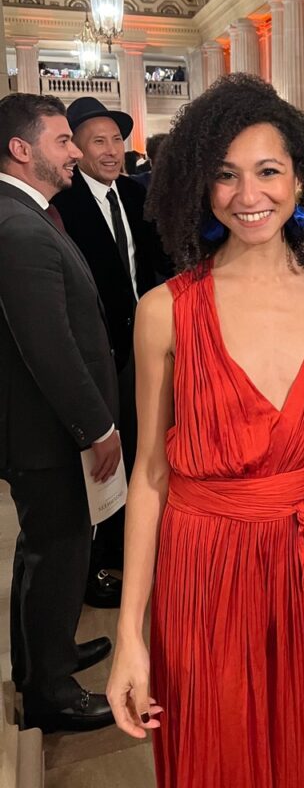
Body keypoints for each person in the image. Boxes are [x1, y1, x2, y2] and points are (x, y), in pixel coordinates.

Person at [106, 75, 304, 788]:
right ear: (200, 185)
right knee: (217, 756)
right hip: (204, 569)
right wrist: (129, 636)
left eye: (268, 171)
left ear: (301, 179)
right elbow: (150, 476)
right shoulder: (166, 310)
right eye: (225, 175)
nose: (248, 194)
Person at [0, 92, 120, 733]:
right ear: (22, 150)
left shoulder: (27, 213)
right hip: (46, 434)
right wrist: (96, 427)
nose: (74, 151)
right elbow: (48, 346)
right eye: (62, 140)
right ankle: (50, 692)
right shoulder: (19, 226)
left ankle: (45, 657)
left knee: (46, 551)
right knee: (58, 554)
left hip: (42, 429)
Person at [53, 97, 165, 605]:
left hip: (146, 346)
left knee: (143, 445)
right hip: (99, 352)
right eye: (98, 140)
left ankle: (126, 547)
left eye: (117, 139)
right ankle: (94, 560)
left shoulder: (136, 194)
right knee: (102, 459)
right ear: (76, 148)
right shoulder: (63, 205)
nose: (112, 150)